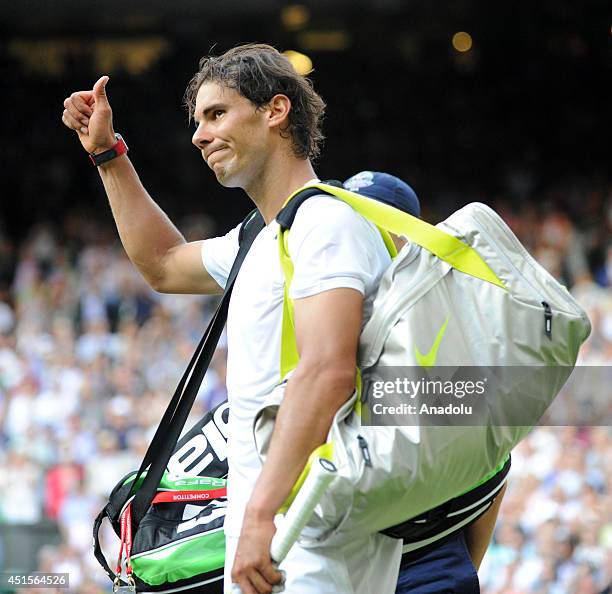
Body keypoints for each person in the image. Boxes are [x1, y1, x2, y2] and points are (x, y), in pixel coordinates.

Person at [62, 44, 402, 593]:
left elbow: (327, 373)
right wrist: (108, 155)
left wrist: (260, 517)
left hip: (312, 544)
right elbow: (164, 265)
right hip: (284, 540)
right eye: (197, 120)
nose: (198, 135)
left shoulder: (326, 225)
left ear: (275, 111)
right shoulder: (264, 236)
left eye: (216, 114)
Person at [344, 170, 509, 594]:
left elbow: (494, 461)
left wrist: (450, 565)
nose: (360, 236)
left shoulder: (441, 323)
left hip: (423, 566)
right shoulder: (330, 313)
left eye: (376, 223)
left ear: (410, 239)